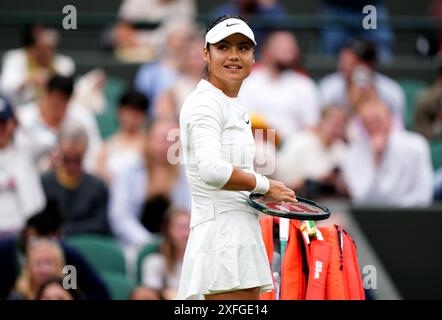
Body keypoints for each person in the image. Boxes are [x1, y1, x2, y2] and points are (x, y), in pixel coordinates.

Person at [177, 15, 296, 300]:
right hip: (224, 243)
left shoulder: (230, 104)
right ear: (206, 54)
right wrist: (266, 185)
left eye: (243, 48)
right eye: (223, 47)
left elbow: (231, 175)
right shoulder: (206, 103)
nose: (234, 56)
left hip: (235, 236)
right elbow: (212, 171)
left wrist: (258, 193)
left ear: (254, 58)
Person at [0, 200, 110, 300]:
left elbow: (98, 292)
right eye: (38, 264)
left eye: (49, 263)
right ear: (27, 267)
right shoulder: (6, 252)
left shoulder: (69, 260)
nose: (44, 270)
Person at [109, 119, 191, 248]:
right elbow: (120, 216)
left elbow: (189, 212)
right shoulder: (129, 170)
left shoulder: (186, 173)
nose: (165, 146)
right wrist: (148, 243)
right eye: (161, 139)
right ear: (148, 139)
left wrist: (173, 244)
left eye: (172, 140)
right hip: (135, 247)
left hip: (178, 248)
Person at [342, 99, 433, 206]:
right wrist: (376, 161)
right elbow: (361, 199)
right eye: (368, 122)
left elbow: (423, 196)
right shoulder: (353, 152)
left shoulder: (416, 145)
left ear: (390, 119)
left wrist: (393, 210)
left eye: (378, 120)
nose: (374, 126)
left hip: (411, 217)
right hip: (370, 218)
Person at [239, 30, 321, 141]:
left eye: (292, 47)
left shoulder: (304, 85)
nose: (290, 51)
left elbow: (312, 126)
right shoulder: (249, 82)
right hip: (260, 141)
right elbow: (241, 121)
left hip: (293, 144)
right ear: (267, 51)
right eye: (283, 47)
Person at [14, 75, 102, 174]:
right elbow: (16, 156)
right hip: (32, 176)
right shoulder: (23, 118)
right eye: (56, 101)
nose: (59, 106)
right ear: (46, 94)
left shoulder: (82, 118)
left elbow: (95, 153)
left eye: (64, 101)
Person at [41, 124, 109, 236]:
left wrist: (66, 230)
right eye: (67, 158)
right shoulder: (45, 183)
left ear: (85, 151)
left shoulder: (97, 187)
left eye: (77, 158)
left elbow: (101, 224)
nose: (71, 164)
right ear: (59, 150)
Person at [319, 39, 405, 124]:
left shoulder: (392, 91)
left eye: (350, 63)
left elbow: (398, 128)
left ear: (368, 65)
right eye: (342, 61)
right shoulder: (329, 87)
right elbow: (322, 124)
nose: (342, 67)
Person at [274, 106, 349, 198]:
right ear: (322, 121)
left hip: (329, 201)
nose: (336, 129)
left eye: (341, 125)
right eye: (334, 123)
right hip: (296, 199)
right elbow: (285, 184)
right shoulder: (299, 141)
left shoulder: (342, 150)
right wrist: (313, 180)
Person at [0, 96, 46, 238]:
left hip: (28, 231)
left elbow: (50, 141)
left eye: (3, 123)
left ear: (12, 123)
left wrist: (21, 125)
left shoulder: (25, 148)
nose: (0, 129)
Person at [0, 24, 75, 106]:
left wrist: (50, 82)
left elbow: (66, 93)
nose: (45, 53)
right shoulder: (13, 59)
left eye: (50, 48)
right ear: (30, 47)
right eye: (40, 48)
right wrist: (27, 81)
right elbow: (4, 89)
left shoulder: (65, 63)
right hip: (19, 108)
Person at [95, 89, 148, 185]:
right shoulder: (106, 146)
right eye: (128, 112)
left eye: (137, 114)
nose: (131, 118)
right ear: (119, 112)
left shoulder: (148, 147)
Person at [136, 208, 190, 300]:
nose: (186, 234)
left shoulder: (202, 262)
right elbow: (149, 295)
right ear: (168, 230)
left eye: (189, 227)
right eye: (181, 227)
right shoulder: (154, 261)